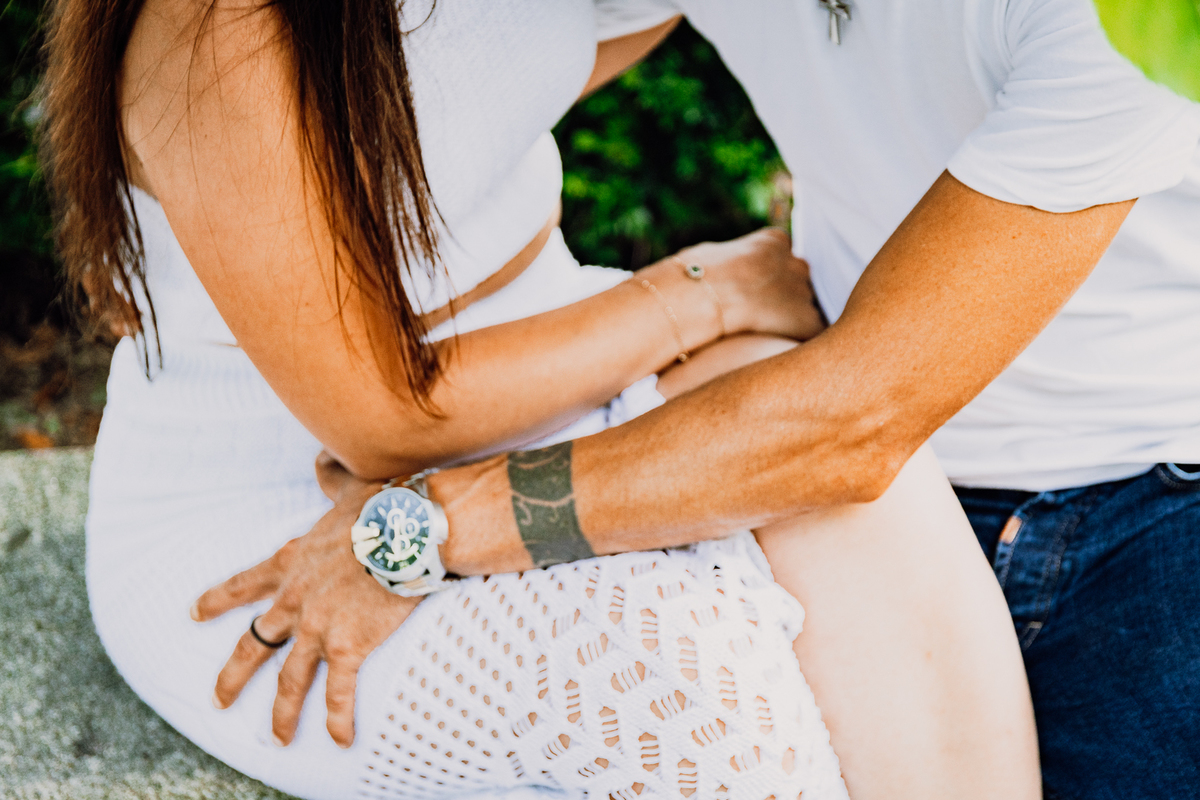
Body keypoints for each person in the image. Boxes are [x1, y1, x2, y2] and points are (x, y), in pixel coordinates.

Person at [43, 0, 1037, 798]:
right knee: (662, 663)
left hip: (562, 360)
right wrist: (699, 293)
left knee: (850, 489)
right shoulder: (216, 29)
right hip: (272, 491)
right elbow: (386, 419)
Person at [242, 2, 1200, 798]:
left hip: (1146, 506)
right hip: (848, 492)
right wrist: (183, 212)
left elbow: (859, 416)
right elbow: (456, 87)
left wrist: (426, 528)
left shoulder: (1115, 15)